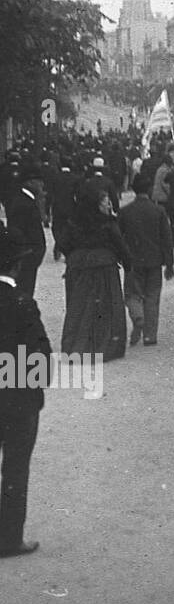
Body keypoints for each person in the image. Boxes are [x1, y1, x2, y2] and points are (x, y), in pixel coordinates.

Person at [0, 231, 49, 559]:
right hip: (17, 399)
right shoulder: (22, 303)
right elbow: (41, 357)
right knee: (16, 469)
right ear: (16, 265)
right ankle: (8, 538)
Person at [60, 190, 130, 361]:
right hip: (103, 269)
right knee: (104, 308)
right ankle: (102, 345)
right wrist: (127, 264)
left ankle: (76, 346)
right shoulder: (107, 223)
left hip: (78, 267)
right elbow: (120, 245)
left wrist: (74, 256)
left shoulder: (74, 222)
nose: (109, 206)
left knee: (79, 308)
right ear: (97, 206)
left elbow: (62, 243)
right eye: (106, 203)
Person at [118, 175, 174, 347]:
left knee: (131, 294)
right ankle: (150, 335)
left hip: (133, 261)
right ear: (150, 190)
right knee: (152, 297)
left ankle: (137, 316)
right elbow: (166, 239)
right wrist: (169, 264)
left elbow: (119, 238)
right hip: (154, 260)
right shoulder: (159, 211)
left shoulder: (125, 211)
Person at [1, 162, 47, 298]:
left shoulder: (26, 201)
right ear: (31, 182)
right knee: (24, 294)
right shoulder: (23, 204)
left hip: (27, 258)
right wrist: (31, 256)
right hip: (25, 260)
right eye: (39, 181)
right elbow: (17, 233)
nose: (42, 185)